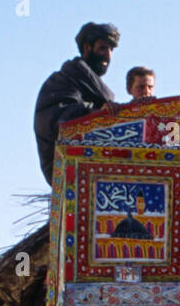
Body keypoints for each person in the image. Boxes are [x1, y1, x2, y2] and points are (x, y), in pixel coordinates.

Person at [34, 21, 120, 185]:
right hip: (66, 169)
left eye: (111, 50)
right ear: (87, 48)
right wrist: (97, 113)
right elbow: (58, 120)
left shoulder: (91, 88)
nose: (108, 55)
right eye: (103, 48)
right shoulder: (62, 82)